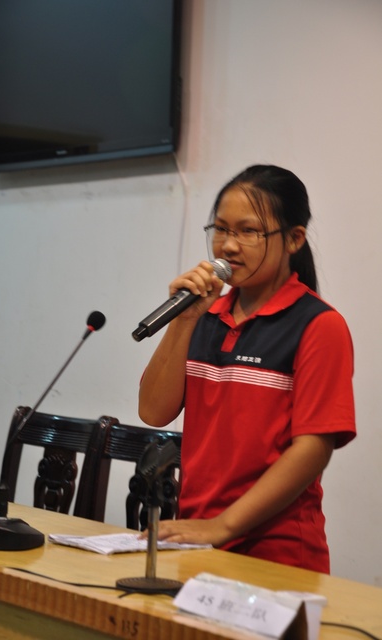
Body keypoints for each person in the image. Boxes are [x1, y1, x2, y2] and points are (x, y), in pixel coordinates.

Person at [138, 164, 356, 573]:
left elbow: (312, 449)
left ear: (294, 239)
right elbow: (153, 411)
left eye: (248, 231)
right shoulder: (203, 316)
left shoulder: (319, 325)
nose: (228, 246)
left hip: (277, 553)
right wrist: (184, 320)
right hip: (197, 540)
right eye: (220, 229)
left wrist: (223, 526)